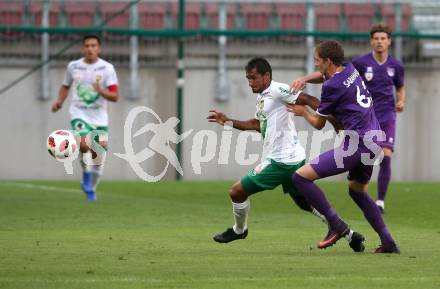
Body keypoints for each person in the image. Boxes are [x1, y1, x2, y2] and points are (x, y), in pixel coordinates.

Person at [207, 57, 365, 252]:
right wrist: (228, 121)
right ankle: (349, 235)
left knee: (236, 192)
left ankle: (239, 230)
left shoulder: (277, 90)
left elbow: (308, 99)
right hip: (293, 158)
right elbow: (257, 124)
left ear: (266, 76)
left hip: (281, 162)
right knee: (304, 203)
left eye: (253, 78)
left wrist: (333, 119)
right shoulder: (264, 96)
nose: (250, 82)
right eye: (247, 78)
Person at [288, 40, 400, 253]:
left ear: (328, 61)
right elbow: (324, 76)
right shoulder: (349, 69)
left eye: (317, 61)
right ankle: (388, 242)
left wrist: (303, 112)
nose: (316, 64)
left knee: (300, 177)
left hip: (358, 145)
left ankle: (336, 225)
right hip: (375, 141)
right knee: (357, 191)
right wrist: (304, 79)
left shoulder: (331, 87)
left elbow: (319, 124)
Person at [51, 34, 120, 201]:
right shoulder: (74, 66)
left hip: (99, 116)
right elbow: (65, 86)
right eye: (87, 45)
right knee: (83, 143)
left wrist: (100, 91)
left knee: (98, 157)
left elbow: (115, 96)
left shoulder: (107, 68)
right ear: (83, 48)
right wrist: (59, 101)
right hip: (79, 112)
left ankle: (91, 186)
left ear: (99, 48)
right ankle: (87, 174)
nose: (90, 49)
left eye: (94, 45)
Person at [351, 24, 405, 213]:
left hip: (387, 114)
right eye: (376, 38)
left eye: (383, 38)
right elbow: (350, 84)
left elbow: (400, 87)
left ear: (389, 41)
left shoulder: (396, 65)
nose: (380, 41)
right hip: (366, 116)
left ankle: (380, 201)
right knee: (366, 155)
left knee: (385, 155)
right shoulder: (360, 63)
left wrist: (401, 101)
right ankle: (359, 188)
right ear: (371, 41)